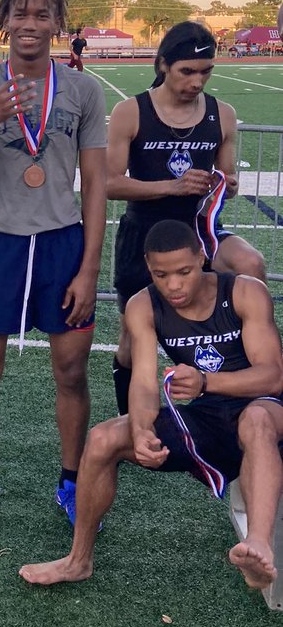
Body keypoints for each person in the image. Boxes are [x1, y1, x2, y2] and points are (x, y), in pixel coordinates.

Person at [19, 219, 283, 591]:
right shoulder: (143, 305)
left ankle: (257, 546)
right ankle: (78, 561)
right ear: (148, 267)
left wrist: (208, 381)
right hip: (206, 417)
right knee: (102, 439)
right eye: (161, 274)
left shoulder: (244, 292)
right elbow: (143, 382)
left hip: (265, 410)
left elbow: (272, 376)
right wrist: (142, 430)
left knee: (255, 419)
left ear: (203, 258)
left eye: (184, 272)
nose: (173, 285)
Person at [0, 0, 107, 524]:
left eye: (41, 15)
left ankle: (70, 481)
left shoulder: (82, 91)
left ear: (57, 24)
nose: (30, 25)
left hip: (62, 244)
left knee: (71, 372)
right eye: (20, 14)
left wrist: (88, 269)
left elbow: (96, 187)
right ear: (4, 22)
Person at [109, 21, 266, 415]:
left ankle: (248, 390)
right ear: (163, 65)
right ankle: (130, 416)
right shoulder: (131, 111)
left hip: (200, 231)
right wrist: (171, 186)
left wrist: (226, 183)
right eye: (187, 71)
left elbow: (227, 177)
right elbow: (109, 184)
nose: (197, 81)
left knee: (250, 264)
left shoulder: (222, 114)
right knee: (132, 335)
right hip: (145, 232)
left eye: (206, 71)